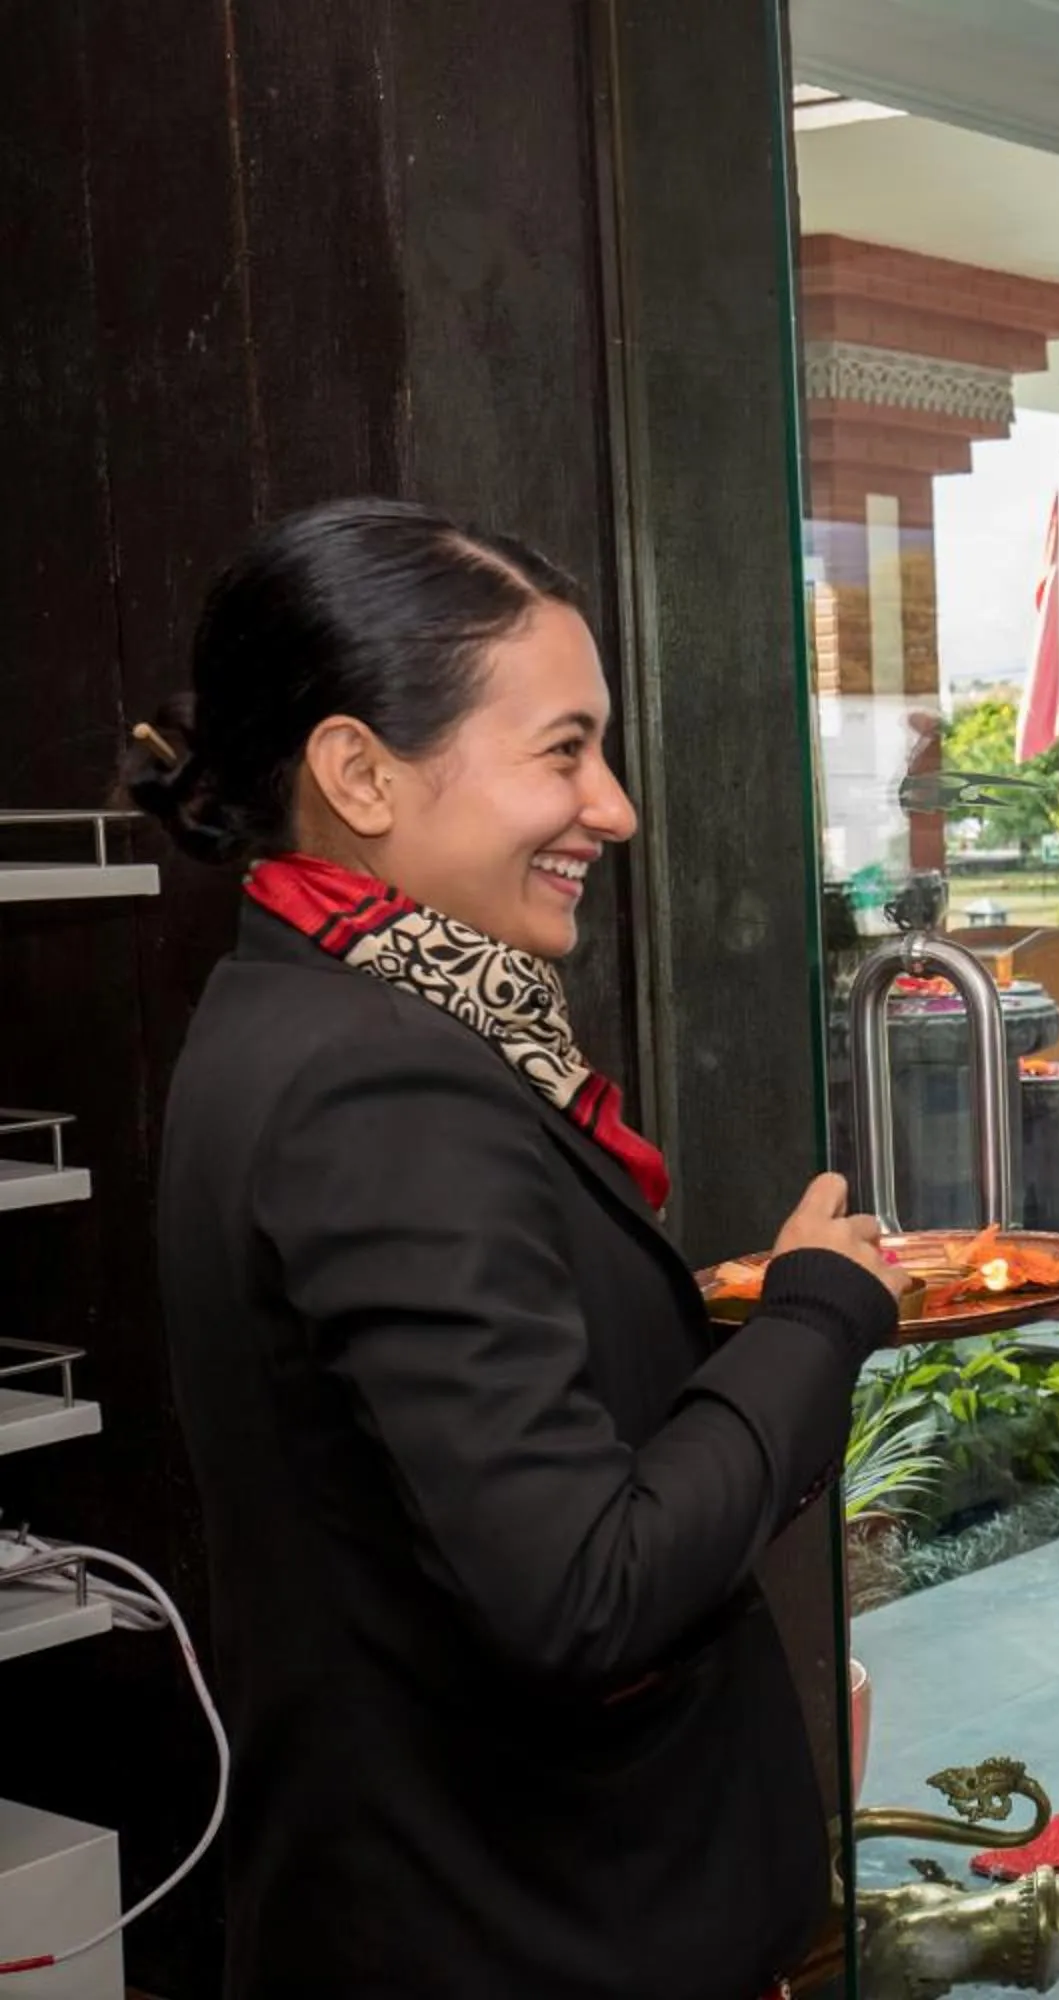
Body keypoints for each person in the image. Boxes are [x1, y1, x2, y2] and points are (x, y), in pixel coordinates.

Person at [133, 499, 907, 2000]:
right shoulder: (381, 1079)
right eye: (564, 750)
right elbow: (584, 1589)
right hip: (526, 1931)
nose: (612, 808)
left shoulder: (309, 1011)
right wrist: (817, 1318)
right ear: (358, 771)